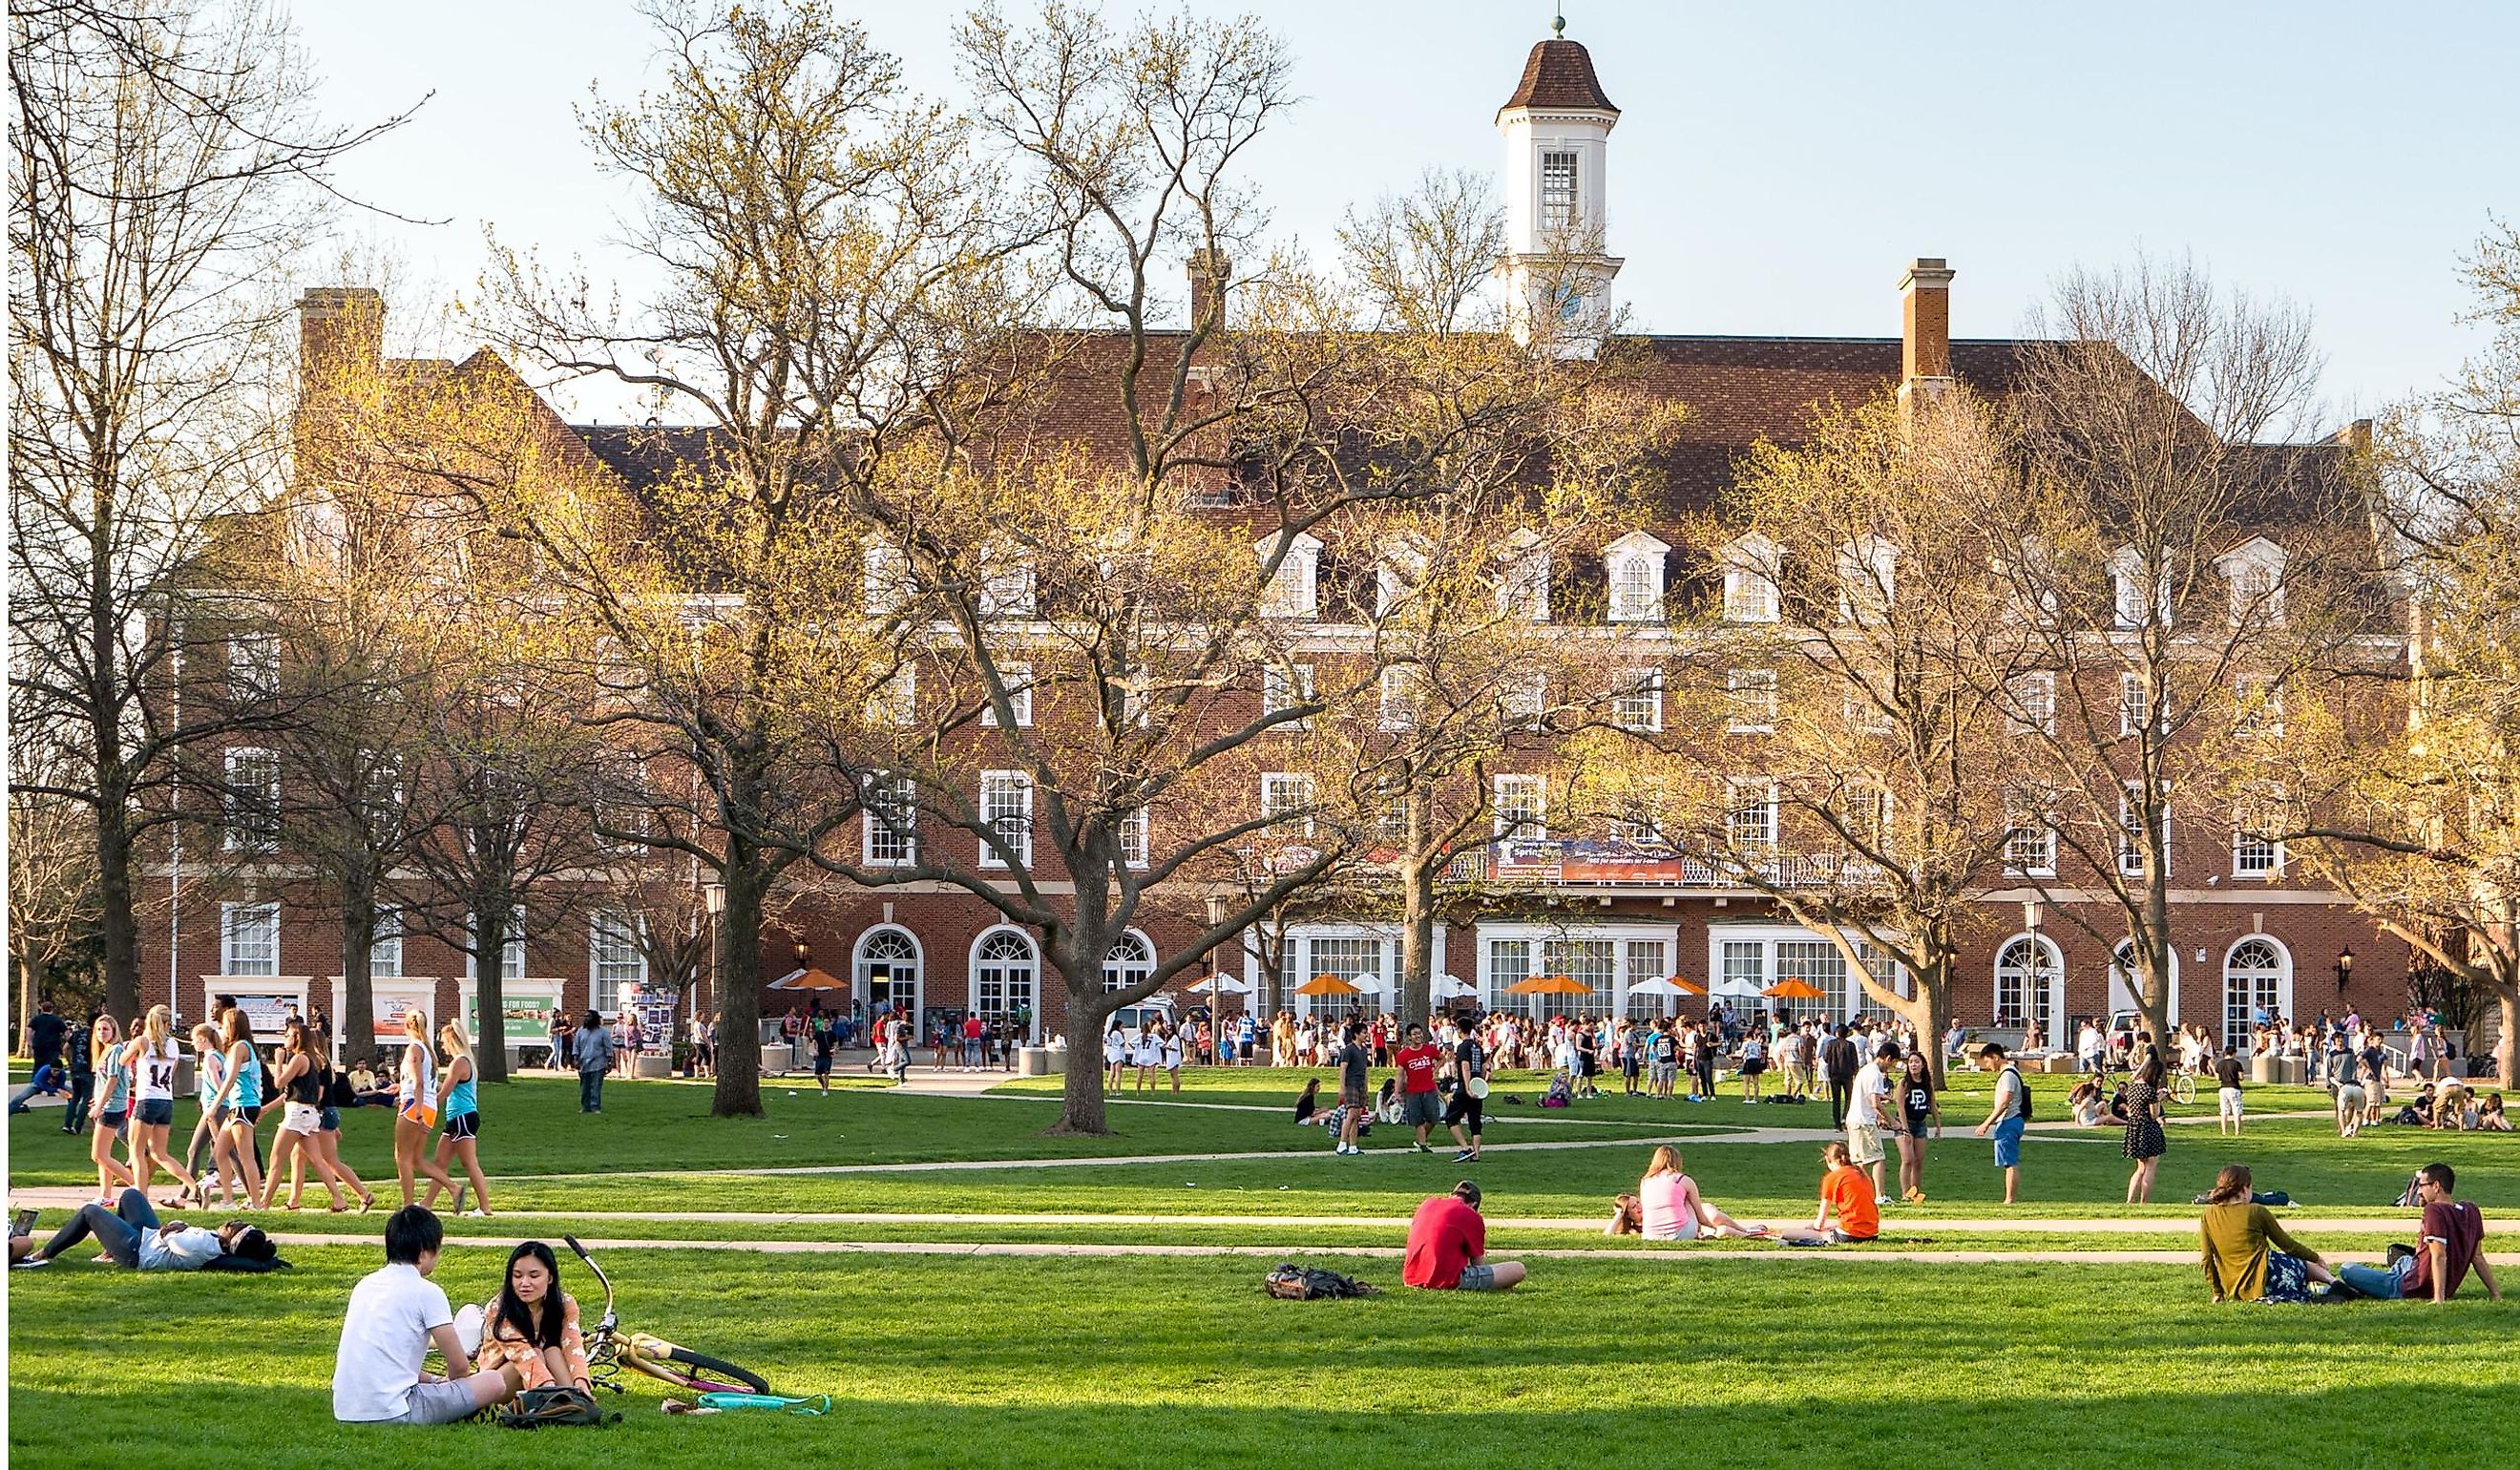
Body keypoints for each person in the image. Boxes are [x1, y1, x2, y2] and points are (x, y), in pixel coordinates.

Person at [334, 1206, 524, 1424]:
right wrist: (455, 1387)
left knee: (446, 1386)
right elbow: (460, 1367)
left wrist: (434, 1381)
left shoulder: (365, 1285)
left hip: (345, 1410)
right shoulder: (427, 1292)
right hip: (397, 1411)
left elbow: (392, 1365)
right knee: (493, 1381)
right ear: (425, 1252)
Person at [2335, 1163, 2502, 1303]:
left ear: (2436, 1186)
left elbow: (2439, 1256)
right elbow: (2477, 1257)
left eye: (2421, 1186)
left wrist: (2439, 1298)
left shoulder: (2434, 1210)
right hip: (2427, 1275)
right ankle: (2371, 1285)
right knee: (2404, 1261)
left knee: (2347, 1268)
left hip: (2414, 1287)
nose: (2419, 1191)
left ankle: (2366, 1288)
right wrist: (2496, 1294)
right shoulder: (2471, 1210)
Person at [15, 1186, 278, 1271]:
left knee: (90, 1212)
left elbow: (173, 1241)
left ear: (232, 1240)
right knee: (131, 1195)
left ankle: (44, 1254)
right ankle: (109, 1251)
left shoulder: (201, 1247)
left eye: (234, 1227)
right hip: (149, 1237)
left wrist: (172, 1229)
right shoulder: (214, 1242)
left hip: (138, 1251)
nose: (230, 1223)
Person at [2197, 1165, 2334, 1303]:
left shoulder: (2208, 1214)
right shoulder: (2256, 1211)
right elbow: (2287, 1245)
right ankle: (2333, 1282)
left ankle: (2324, 1284)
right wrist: (2316, 1258)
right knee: (2297, 1263)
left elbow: (2207, 1259)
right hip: (2264, 1280)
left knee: (2281, 1260)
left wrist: (2217, 1292)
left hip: (2234, 1289)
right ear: (2245, 1188)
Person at [471, 1241, 592, 1393]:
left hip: (541, 1369)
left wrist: (581, 1381)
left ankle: (575, 1398)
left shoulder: (565, 1303)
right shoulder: (498, 1308)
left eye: (534, 1276)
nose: (524, 1283)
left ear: (550, 1278)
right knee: (536, 1353)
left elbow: (573, 1344)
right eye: (517, 1276)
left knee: (552, 1351)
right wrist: (548, 1388)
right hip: (497, 1380)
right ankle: (555, 1399)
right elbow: (521, 1354)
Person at [262, 1021, 348, 1211]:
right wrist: (266, 1109)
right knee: (317, 1160)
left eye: (288, 1036)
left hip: (296, 1115)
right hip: (309, 1114)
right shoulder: (312, 1058)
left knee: (276, 1159)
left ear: (297, 1038)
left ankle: (263, 1203)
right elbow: (293, 1090)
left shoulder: (299, 1059)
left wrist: (277, 1062)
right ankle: (339, 1199)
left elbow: (278, 1083)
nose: (285, 1039)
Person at [120, 1005, 196, 1203]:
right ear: (167, 1022)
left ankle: (142, 1197)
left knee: (136, 1152)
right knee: (160, 1153)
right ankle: (194, 1187)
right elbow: (173, 1069)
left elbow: (122, 1060)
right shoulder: (173, 1044)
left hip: (146, 1099)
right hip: (166, 1100)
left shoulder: (142, 1041)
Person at [420, 1020, 492, 1219]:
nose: (442, 1046)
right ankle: (426, 1204)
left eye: (443, 1042)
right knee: (440, 1163)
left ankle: (485, 1208)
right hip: (456, 1118)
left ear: (451, 1041)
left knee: (469, 1163)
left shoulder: (459, 1062)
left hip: (462, 1117)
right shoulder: (464, 1061)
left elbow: (444, 1094)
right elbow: (449, 1087)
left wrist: (423, 1110)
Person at [1620, 1145, 1768, 1241]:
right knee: (1691, 1202)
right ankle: (1744, 1231)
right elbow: (1700, 1215)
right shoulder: (1682, 1180)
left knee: (1698, 1206)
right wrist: (1713, 1227)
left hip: (1650, 1235)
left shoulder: (1645, 1181)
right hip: (1679, 1234)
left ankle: (1741, 1230)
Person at [1401, 1181, 1524, 1291]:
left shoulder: (1427, 1204)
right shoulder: (1470, 1215)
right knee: (1518, 1269)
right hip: (1445, 1280)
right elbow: (1478, 1264)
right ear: (1473, 1205)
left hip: (1411, 1278)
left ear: (1451, 1195)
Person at [392, 1011, 461, 1207]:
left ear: (406, 1026)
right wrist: (399, 1087)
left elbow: (419, 1083)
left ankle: (408, 1205)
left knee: (402, 1157)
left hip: (415, 1106)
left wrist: (418, 1111)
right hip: (428, 1106)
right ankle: (453, 1188)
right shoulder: (427, 1050)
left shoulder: (414, 1049)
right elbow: (423, 1081)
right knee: (417, 1160)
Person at [1773, 1141, 1881, 1246]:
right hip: (1872, 1233)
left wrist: (1813, 1227)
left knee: (1788, 1233)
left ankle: (1768, 1234)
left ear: (1827, 1159)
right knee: (1832, 1227)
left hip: (1850, 1235)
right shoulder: (1861, 1173)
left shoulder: (1832, 1178)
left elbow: (1819, 1224)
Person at [80, 1015, 136, 1203]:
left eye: (105, 1029)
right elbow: (103, 1081)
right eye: (98, 1029)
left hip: (112, 1107)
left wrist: (100, 1105)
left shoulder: (116, 1050)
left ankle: (137, 1186)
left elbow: (113, 1080)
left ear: (114, 1031)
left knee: (98, 1155)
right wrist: (96, 1101)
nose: (101, 1033)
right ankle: (105, 1195)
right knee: (104, 1155)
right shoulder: (105, 1051)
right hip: (104, 1105)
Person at [1971, 1042, 2028, 1206]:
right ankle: (2009, 1198)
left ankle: (2010, 1199)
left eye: (1988, 1061)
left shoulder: (2008, 1076)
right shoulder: (2010, 1073)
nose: (1987, 1066)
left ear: (1995, 1057)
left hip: (2009, 1121)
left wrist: (1986, 1123)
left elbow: (2005, 1102)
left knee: (2010, 1162)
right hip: (2012, 1121)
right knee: (2007, 1162)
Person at [1845, 1041, 1896, 1207]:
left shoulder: (1865, 1069)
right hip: (1864, 1122)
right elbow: (1875, 1103)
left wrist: (1880, 1115)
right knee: (1878, 1158)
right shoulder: (1876, 1074)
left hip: (1853, 1119)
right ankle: (1880, 1196)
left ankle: (1854, 1194)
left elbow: (1868, 1098)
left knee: (1859, 1162)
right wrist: (1892, 1121)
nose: (1891, 1067)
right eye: (1892, 1063)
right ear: (1887, 1058)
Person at [2123, 1051, 2169, 1205]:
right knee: (2151, 1167)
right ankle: (2144, 1201)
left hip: (2134, 1127)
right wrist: (2158, 1099)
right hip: (2148, 1128)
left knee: (2140, 1168)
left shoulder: (2133, 1087)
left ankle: (2130, 1200)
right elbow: (2154, 1115)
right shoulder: (2149, 1091)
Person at [1894, 1050, 1939, 1204]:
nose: (1914, 1064)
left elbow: (1932, 1104)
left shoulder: (1927, 1083)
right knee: (1908, 1159)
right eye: (1911, 1062)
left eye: (1917, 1062)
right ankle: (1905, 1193)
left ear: (1923, 1065)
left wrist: (1938, 1126)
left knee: (1918, 1161)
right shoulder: (1904, 1083)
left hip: (1920, 1124)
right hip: (1905, 1124)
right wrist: (1905, 1129)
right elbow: (1900, 1107)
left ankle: (1915, 1192)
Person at [1393, 1022, 1444, 1153]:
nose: (1418, 1036)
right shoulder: (1404, 1055)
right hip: (1413, 1091)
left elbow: (1442, 1059)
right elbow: (1400, 1075)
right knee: (1418, 1119)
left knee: (1433, 1118)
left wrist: (1436, 1070)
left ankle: (1420, 1140)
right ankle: (1422, 1145)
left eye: (1419, 1033)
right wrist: (1397, 1091)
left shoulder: (1429, 1050)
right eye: (1415, 1034)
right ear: (1409, 1037)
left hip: (1430, 1089)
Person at [1445, 1020, 1487, 1164]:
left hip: (1465, 1086)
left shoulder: (1463, 1047)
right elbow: (1483, 1067)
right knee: (1475, 1122)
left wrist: (1468, 1087)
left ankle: (1465, 1148)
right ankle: (1476, 1154)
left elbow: (1465, 1067)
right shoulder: (1478, 1047)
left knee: (1451, 1118)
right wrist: (1481, 1083)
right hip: (1478, 1086)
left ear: (1459, 1030)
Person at [1333, 1023, 1371, 1156]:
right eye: (1364, 1032)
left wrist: (1366, 1086)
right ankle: (1342, 1144)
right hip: (1351, 1084)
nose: (1366, 1035)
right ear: (1356, 1034)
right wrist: (1342, 1087)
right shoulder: (1349, 1049)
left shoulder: (1364, 1050)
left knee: (1357, 1116)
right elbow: (1343, 1068)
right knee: (1351, 1113)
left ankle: (1353, 1146)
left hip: (1360, 1085)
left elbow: (1365, 1069)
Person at [573, 1009, 616, 1113]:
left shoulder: (603, 1032)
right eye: (585, 1017)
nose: (587, 1019)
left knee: (596, 1086)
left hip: (598, 1063)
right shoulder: (580, 1031)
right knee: (584, 1087)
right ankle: (585, 1107)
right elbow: (576, 1046)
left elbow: (608, 1047)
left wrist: (609, 1062)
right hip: (584, 1063)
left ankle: (595, 1106)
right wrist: (576, 1059)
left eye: (589, 1017)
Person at [1821, 1025, 1858, 1127]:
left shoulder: (1831, 1044)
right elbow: (1855, 1061)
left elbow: (1825, 1058)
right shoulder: (1850, 1045)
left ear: (1837, 1033)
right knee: (1849, 1098)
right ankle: (1845, 1117)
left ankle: (1836, 1123)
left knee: (1836, 1099)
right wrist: (1855, 1073)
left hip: (1834, 1074)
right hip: (1847, 1074)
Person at [2215, 1045, 2246, 1137]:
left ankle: (2224, 1132)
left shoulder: (2219, 1064)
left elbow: (2217, 1078)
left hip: (2223, 1088)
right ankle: (2237, 1131)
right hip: (2234, 1088)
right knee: (2237, 1111)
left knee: (2224, 1111)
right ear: (2234, 1053)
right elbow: (2241, 1077)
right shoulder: (2237, 1064)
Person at [812, 1014, 838, 1092]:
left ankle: (825, 1089)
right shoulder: (818, 1033)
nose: (826, 1024)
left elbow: (836, 1043)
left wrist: (834, 1049)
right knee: (818, 1075)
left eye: (827, 1022)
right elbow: (814, 1042)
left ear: (829, 1023)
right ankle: (823, 1085)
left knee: (826, 1073)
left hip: (828, 1056)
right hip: (820, 1056)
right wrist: (815, 1050)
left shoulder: (832, 1034)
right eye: (824, 1022)